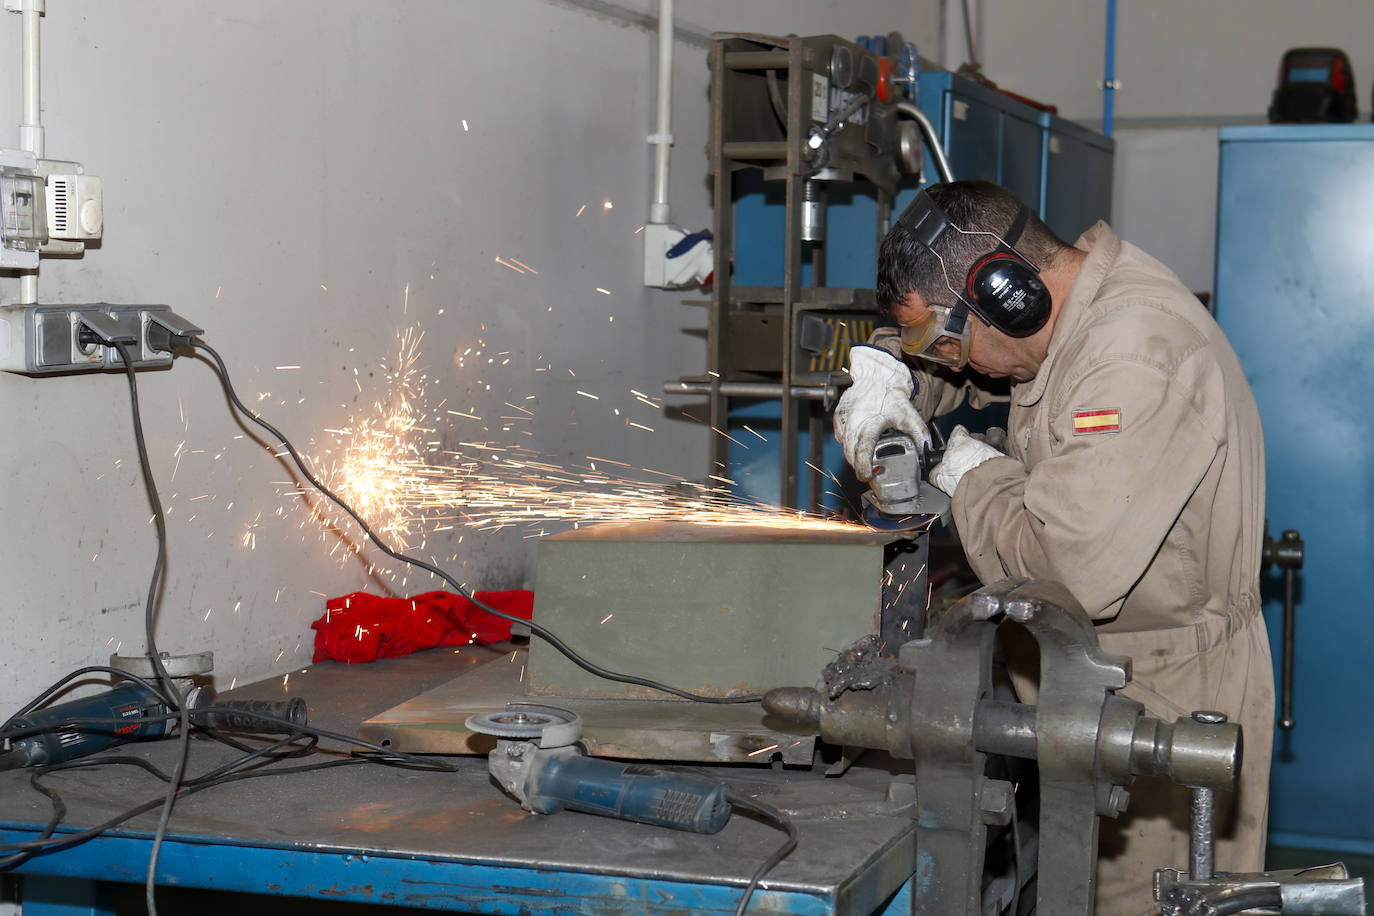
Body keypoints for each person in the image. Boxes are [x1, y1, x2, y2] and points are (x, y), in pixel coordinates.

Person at [834, 180, 1274, 914]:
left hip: (1166, 696)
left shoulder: (1134, 354)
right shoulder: (1069, 320)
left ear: (1011, 293)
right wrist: (897, 375)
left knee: (1141, 900)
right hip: (1098, 681)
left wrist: (976, 480)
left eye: (946, 340)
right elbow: (964, 359)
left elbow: (1065, 568)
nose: (957, 364)